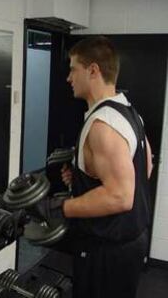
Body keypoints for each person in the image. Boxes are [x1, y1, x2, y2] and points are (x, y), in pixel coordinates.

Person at [54, 36, 153, 298]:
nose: (68, 78)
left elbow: (120, 196)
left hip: (107, 249)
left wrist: (62, 207)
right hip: (129, 243)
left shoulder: (103, 124)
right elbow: (145, 168)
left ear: (93, 70)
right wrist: (83, 178)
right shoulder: (130, 113)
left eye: (73, 69)